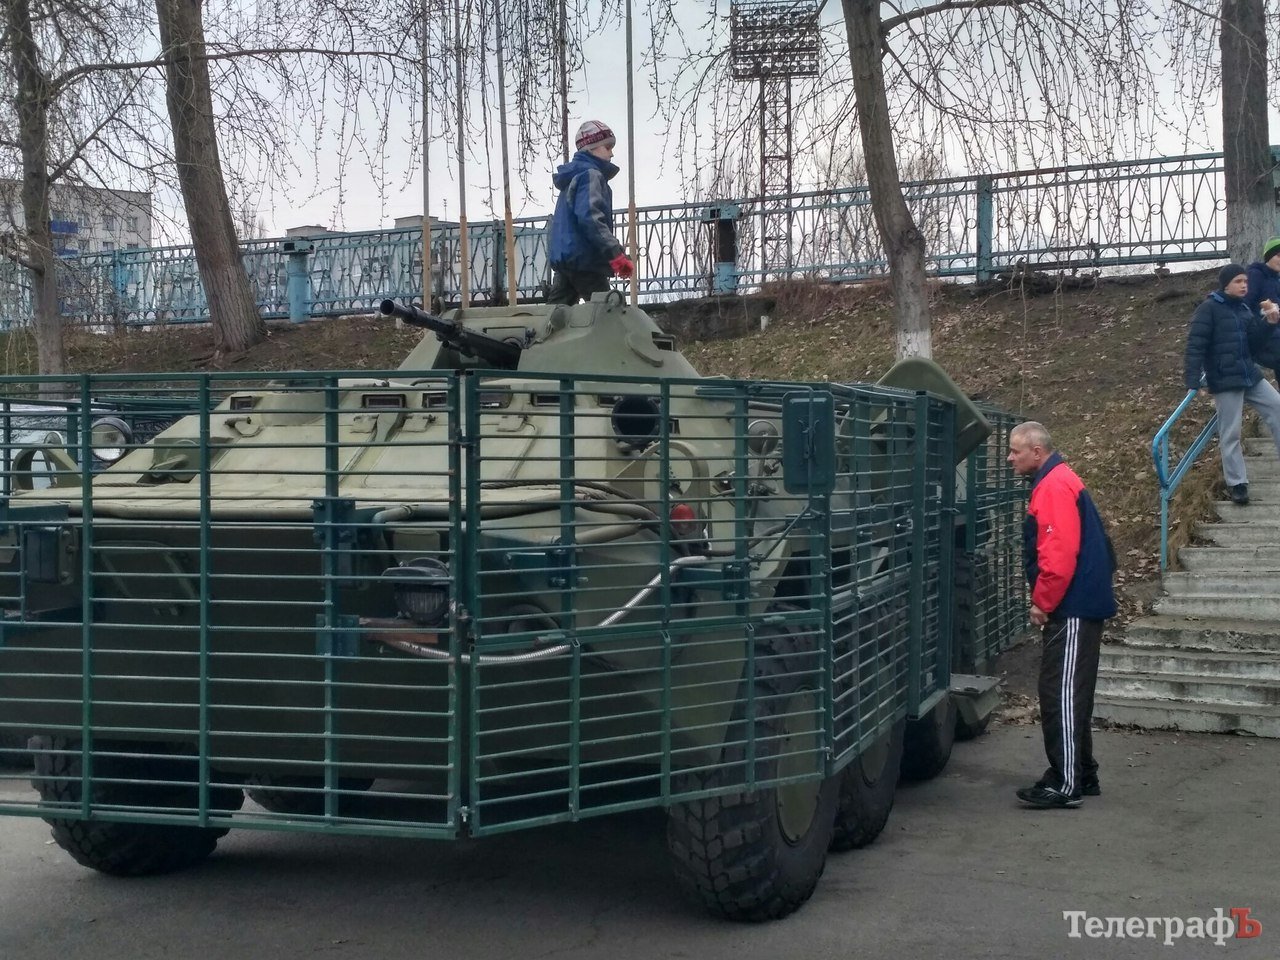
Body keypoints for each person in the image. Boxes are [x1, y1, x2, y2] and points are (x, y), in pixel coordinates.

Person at [1007, 421, 1116, 809]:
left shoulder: (1053, 486)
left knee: (1061, 694)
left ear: (1037, 452)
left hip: (1072, 607)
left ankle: (1065, 782)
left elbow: (1058, 555)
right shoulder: (1061, 479)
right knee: (1071, 693)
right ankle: (1082, 773)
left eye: (1015, 451)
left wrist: (1043, 601)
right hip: (1080, 603)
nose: (1009, 458)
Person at [1183, 263, 1280, 505]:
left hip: (1249, 374)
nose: (1244, 285)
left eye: (1245, 281)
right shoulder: (1209, 309)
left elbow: (1254, 346)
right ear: (1225, 284)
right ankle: (1238, 484)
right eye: (1238, 281)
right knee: (1231, 432)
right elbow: (1195, 345)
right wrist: (1192, 379)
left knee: (1277, 406)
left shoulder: (1244, 310)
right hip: (1225, 378)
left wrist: (1269, 324)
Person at [546, 120, 634, 305]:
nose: (612, 153)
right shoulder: (591, 175)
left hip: (566, 259)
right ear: (591, 148)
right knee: (610, 314)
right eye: (607, 147)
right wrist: (615, 253)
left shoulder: (571, 177)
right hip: (585, 259)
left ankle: (537, 335)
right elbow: (591, 218)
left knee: (555, 316)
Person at [1244, 237, 1280, 386]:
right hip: (1260, 334)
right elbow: (1244, 304)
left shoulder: (1276, 280)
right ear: (1268, 257)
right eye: (1278, 255)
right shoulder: (1256, 275)